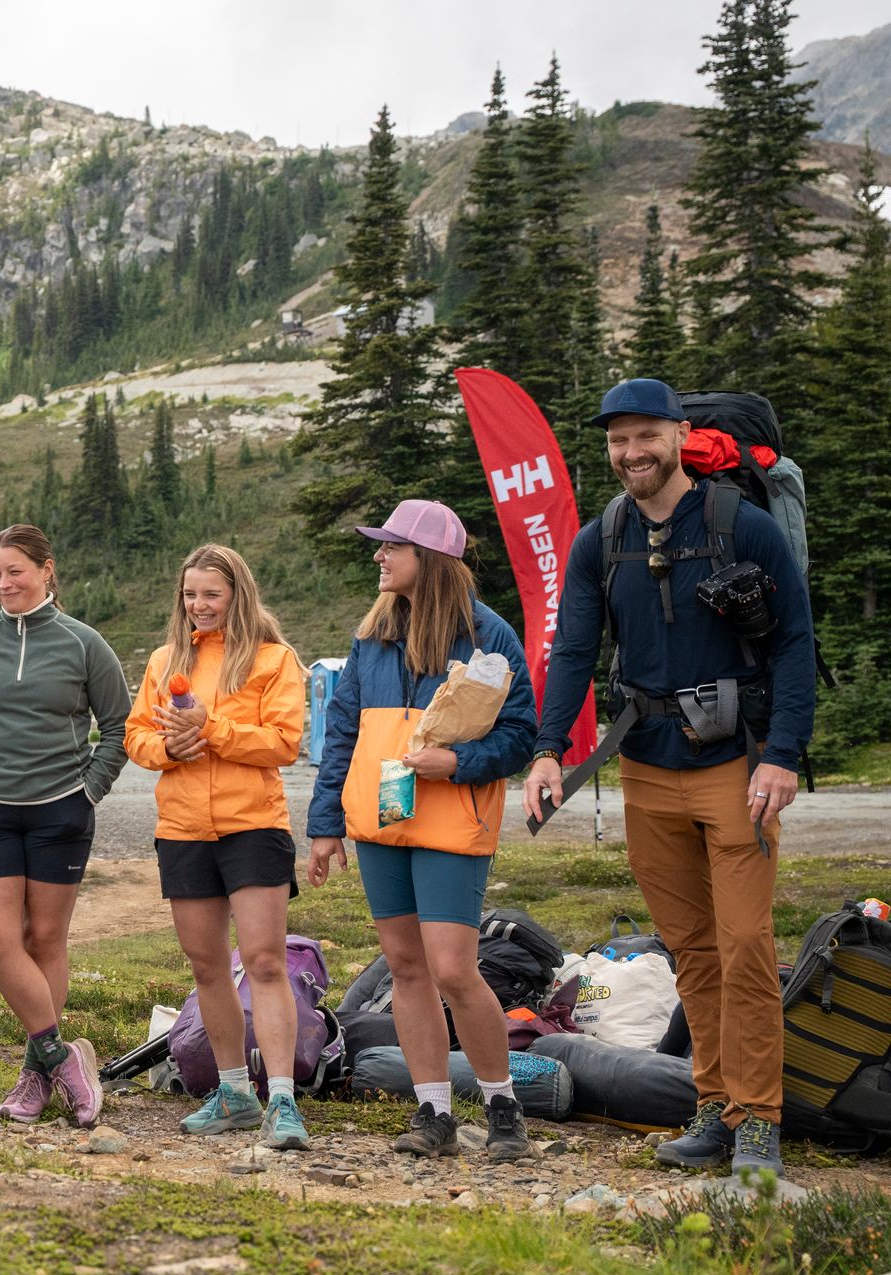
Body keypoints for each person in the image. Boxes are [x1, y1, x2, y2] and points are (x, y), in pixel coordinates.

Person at [524, 379, 815, 1177]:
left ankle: (759, 1120)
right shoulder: (601, 539)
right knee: (691, 950)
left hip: (735, 768)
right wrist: (549, 747)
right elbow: (574, 653)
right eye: (618, 440)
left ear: (680, 435)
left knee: (747, 944)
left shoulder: (740, 525)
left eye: (645, 435)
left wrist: (785, 751)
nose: (631, 452)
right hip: (647, 769)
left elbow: (795, 639)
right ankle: (716, 1108)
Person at [306, 500, 538, 1160]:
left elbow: (521, 734)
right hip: (384, 819)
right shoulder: (371, 634)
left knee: (453, 969)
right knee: (406, 967)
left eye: (391, 547)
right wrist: (326, 825)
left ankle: (504, 1109)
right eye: (379, 547)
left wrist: (457, 762)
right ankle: (433, 1111)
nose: (379, 556)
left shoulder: (488, 634)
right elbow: (342, 732)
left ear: (430, 559)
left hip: (450, 823)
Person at [0, 524, 130, 1128]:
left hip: (60, 812)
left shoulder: (84, 643)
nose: (3, 583)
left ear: (47, 570)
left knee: (45, 940)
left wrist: (88, 790)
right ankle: (64, 1058)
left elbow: (118, 727)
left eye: (15, 570)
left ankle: (33, 1078)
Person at [125, 544, 309, 1148]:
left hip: (253, 824)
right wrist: (168, 749)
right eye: (190, 594)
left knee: (263, 963)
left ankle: (282, 1098)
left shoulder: (274, 659)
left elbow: (283, 742)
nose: (198, 605)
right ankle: (235, 1094)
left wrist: (211, 729)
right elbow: (137, 737)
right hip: (182, 828)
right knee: (208, 967)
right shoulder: (163, 659)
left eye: (211, 594)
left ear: (238, 595)